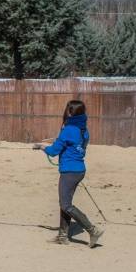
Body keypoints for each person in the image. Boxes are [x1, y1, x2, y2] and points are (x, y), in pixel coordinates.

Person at [35, 100, 104, 247]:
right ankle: (62, 235)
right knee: (64, 203)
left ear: (71, 112)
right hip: (79, 170)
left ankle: (92, 230)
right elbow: (74, 146)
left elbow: (53, 151)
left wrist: (41, 147)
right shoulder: (84, 130)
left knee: (66, 205)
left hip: (69, 172)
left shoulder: (68, 129)